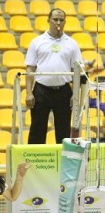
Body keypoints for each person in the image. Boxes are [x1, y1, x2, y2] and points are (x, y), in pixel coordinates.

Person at [25, 8, 83, 144]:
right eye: (55, 19)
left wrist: (75, 94)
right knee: (37, 129)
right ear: (48, 21)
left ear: (65, 22)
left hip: (63, 92)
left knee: (63, 131)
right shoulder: (37, 42)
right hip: (41, 90)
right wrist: (28, 93)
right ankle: (35, 162)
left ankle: (64, 163)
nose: (58, 22)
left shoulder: (72, 44)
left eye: (61, 20)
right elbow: (30, 68)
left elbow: (77, 71)